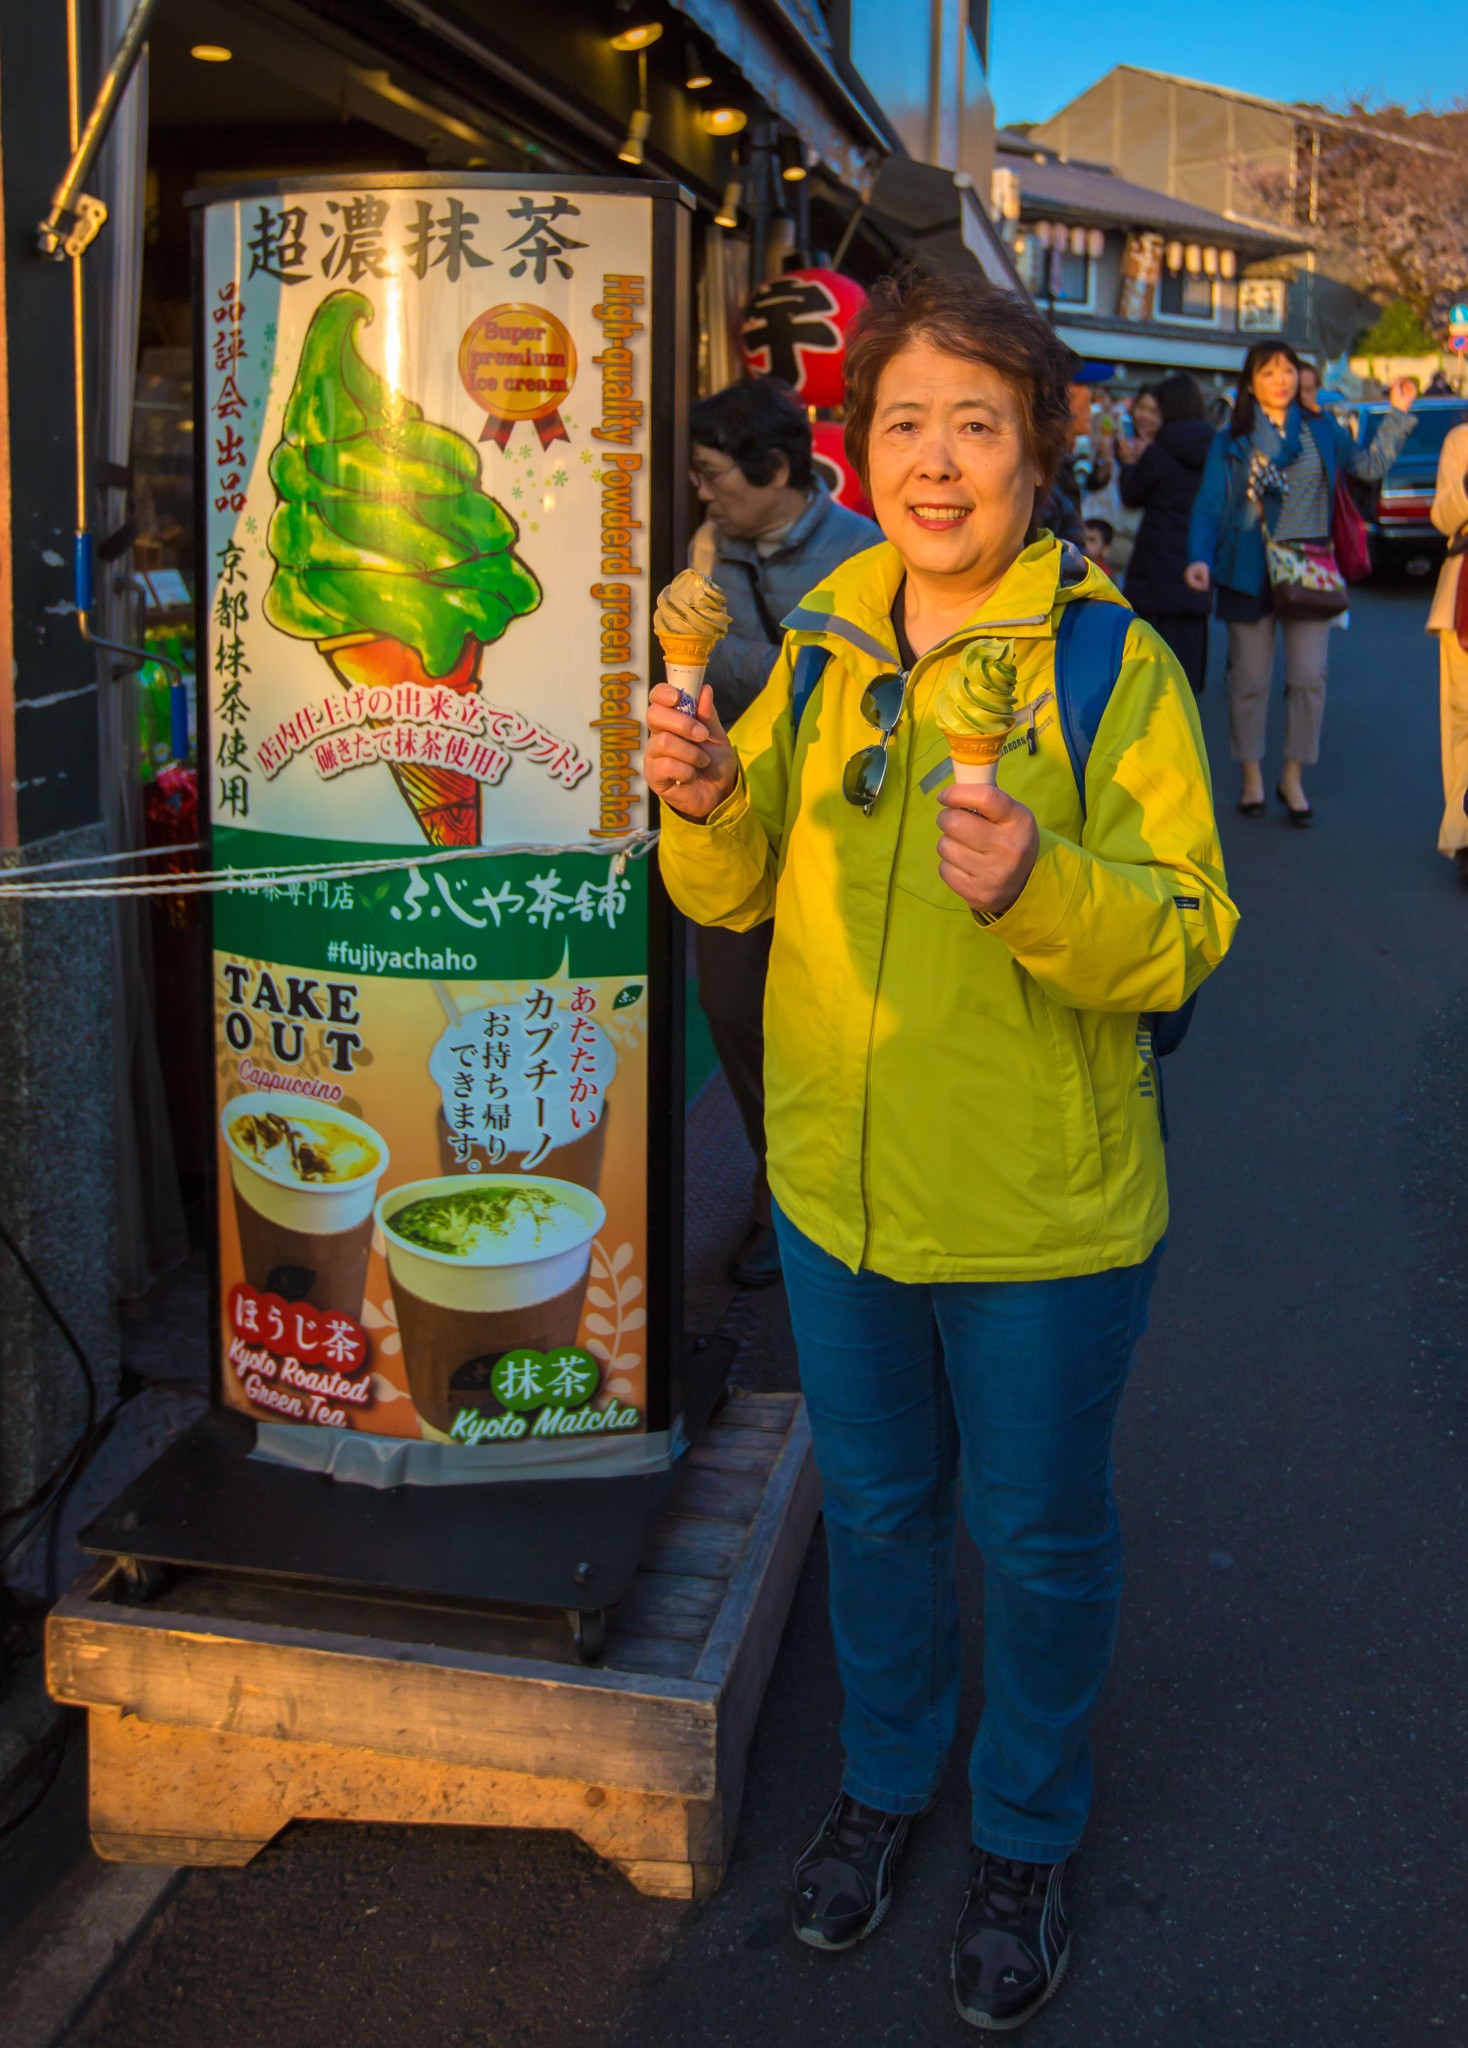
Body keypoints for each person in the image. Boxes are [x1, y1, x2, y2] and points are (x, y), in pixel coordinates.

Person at [646, 267, 1236, 2032]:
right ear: (858, 444)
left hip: (1043, 1212)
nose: (932, 458)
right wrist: (699, 799)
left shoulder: (1103, 666)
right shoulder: (823, 646)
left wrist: (1036, 884)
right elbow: (732, 889)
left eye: (976, 421)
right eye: (901, 419)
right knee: (883, 1514)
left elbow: (1186, 927)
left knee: (1038, 1536)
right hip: (837, 1199)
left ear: (1039, 454)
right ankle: (887, 1784)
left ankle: (1025, 1831)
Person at [686, 377, 878, 1286]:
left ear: (777, 468)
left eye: (715, 475)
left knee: (832, 1022)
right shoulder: (705, 549)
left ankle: (814, 1200)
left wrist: (716, 645)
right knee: (730, 1007)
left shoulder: (865, 555)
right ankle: (777, 1177)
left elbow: (851, 689)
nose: (704, 493)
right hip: (727, 824)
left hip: (831, 831)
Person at [1186, 342, 1418, 823]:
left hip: (1309, 566)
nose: (1281, 379)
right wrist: (1198, 557)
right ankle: (1251, 774)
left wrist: (1397, 415)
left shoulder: (1320, 427)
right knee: (1249, 681)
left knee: (1309, 678)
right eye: (1269, 371)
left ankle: (1292, 776)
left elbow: (1368, 467)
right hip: (1247, 569)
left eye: (1287, 369)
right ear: (1251, 383)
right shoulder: (1233, 437)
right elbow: (1210, 502)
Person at [1118, 371, 1215, 694]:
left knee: (1149, 677)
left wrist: (1129, 463)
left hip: (1155, 572)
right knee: (1184, 678)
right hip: (1196, 566)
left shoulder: (1158, 451)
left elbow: (1132, 496)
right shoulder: (1214, 449)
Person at [1427, 417, 1468, 880]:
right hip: (1465, 596)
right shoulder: (1461, 441)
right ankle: (1462, 833)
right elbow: (1442, 516)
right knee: (1462, 718)